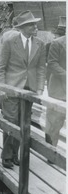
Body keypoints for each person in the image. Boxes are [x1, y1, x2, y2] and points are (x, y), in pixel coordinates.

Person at [0, 10, 46, 169]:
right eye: (32, 24)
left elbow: (40, 69)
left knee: (24, 123)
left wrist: (39, 88)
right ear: (23, 27)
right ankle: (6, 156)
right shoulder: (10, 42)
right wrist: (2, 89)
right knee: (11, 122)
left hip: (29, 91)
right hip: (11, 89)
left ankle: (14, 154)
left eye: (35, 24)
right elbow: (1, 68)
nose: (35, 27)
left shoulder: (40, 44)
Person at [45, 16, 66, 149]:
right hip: (59, 89)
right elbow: (52, 63)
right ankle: (50, 151)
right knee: (54, 122)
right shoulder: (57, 43)